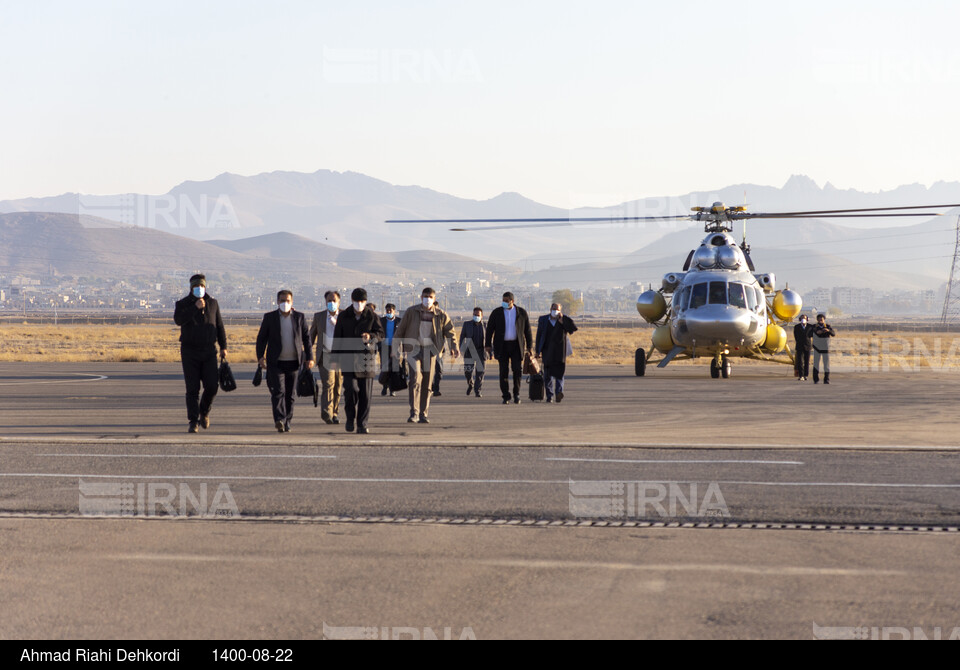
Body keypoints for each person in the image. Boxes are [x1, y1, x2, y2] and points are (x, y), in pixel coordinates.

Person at [395, 287, 459, 424]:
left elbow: (451, 332)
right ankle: (414, 413)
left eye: (430, 297)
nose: (427, 299)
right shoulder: (411, 312)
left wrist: (454, 346)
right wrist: (396, 348)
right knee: (415, 379)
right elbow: (400, 330)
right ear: (421, 297)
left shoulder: (440, 315)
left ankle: (423, 413)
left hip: (431, 351)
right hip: (414, 349)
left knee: (427, 383)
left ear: (434, 299)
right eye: (425, 296)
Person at [173, 274, 227, 433]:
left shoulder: (213, 303)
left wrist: (223, 346)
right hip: (190, 351)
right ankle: (193, 421)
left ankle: (204, 411)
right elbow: (179, 320)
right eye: (197, 286)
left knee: (212, 385)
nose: (200, 289)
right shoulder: (182, 304)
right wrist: (194, 307)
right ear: (191, 288)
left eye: (202, 286)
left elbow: (219, 326)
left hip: (209, 350)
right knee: (192, 388)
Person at [256, 290, 314, 433]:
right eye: (282, 300)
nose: (285, 303)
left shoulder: (299, 317)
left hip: (294, 362)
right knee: (278, 391)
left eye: (287, 300)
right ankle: (279, 419)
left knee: (290, 394)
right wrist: (260, 357)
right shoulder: (270, 318)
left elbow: (307, 339)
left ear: (292, 302)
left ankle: (287, 419)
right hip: (276, 362)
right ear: (277, 302)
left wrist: (310, 358)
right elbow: (261, 339)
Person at [332, 288, 384, 434]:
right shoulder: (344, 316)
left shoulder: (372, 316)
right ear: (352, 301)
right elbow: (338, 338)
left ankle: (362, 424)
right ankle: (350, 418)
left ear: (365, 302)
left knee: (365, 395)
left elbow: (381, 334)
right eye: (356, 301)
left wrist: (371, 336)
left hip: (366, 359)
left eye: (362, 301)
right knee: (351, 390)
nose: (359, 304)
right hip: (348, 359)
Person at [485, 291, 533, 405]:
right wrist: (487, 345)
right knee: (503, 371)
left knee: (517, 370)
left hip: (517, 346)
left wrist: (530, 346)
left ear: (512, 301)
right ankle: (506, 396)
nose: (504, 303)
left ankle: (516, 394)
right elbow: (490, 330)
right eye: (503, 300)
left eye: (507, 301)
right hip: (502, 346)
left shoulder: (521, 313)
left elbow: (528, 331)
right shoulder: (497, 312)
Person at [309, 291, 343, 424]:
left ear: (339, 302)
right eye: (329, 301)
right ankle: (327, 411)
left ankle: (335, 412)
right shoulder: (319, 316)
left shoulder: (345, 316)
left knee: (338, 386)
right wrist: (308, 353)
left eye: (334, 300)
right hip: (325, 355)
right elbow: (312, 335)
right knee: (328, 383)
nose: (332, 303)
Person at [535, 303, 579, 403]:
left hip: (560, 351)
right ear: (550, 309)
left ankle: (559, 393)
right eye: (554, 309)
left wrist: (562, 321)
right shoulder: (543, 319)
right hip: (547, 350)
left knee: (559, 373)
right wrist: (537, 350)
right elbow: (539, 335)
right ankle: (549, 396)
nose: (555, 311)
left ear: (560, 310)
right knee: (548, 374)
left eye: (557, 309)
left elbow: (573, 329)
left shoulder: (564, 319)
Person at [459, 306, 486, 398]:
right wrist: (461, 348)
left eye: (478, 315)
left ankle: (477, 391)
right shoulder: (467, 324)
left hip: (481, 351)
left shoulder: (486, 325)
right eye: (474, 315)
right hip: (469, 351)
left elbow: (489, 339)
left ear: (482, 316)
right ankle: (470, 384)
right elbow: (462, 336)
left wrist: (491, 350)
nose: (476, 316)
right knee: (468, 371)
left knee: (480, 372)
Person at [379, 303, 399, 397]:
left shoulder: (399, 321)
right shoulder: (381, 321)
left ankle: (392, 389)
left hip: (395, 348)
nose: (389, 312)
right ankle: (384, 387)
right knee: (384, 368)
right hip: (384, 347)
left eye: (390, 311)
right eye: (387, 311)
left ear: (394, 311)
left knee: (394, 369)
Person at [812, 313, 836, 385]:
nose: (820, 321)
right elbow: (811, 333)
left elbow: (833, 334)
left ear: (824, 320)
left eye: (822, 319)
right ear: (817, 320)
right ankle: (816, 379)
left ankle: (826, 379)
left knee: (826, 365)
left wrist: (828, 330)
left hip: (825, 348)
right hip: (817, 348)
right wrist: (818, 332)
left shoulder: (827, 326)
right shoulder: (815, 327)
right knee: (816, 364)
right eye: (819, 319)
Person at [793, 314, 813, 381]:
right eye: (802, 318)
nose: (803, 319)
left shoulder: (810, 327)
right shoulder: (797, 327)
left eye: (804, 318)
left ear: (807, 319)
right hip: (799, 346)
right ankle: (801, 375)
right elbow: (796, 336)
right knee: (800, 361)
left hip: (807, 346)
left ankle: (806, 375)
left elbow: (812, 335)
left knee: (807, 361)